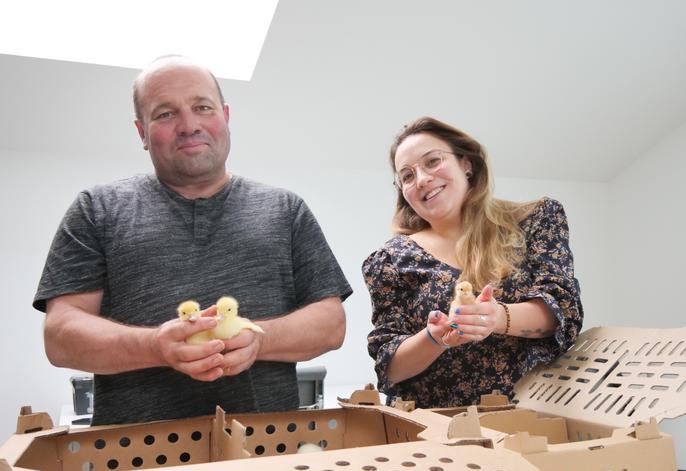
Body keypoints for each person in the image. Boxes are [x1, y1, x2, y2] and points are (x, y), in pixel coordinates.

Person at [33, 55, 352, 425]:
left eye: (202, 107)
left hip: (265, 452)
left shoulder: (285, 209)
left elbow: (331, 323)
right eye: (165, 114)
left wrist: (259, 340)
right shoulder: (97, 209)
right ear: (141, 132)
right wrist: (155, 346)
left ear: (226, 116)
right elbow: (60, 336)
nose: (189, 125)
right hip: (136, 461)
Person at [362, 117, 582, 408]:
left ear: (466, 163)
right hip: (434, 431)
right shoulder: (390, 260)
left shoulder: (534, 221)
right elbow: (389, 368)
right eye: (407, 176)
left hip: (528, 421)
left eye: (432, 161)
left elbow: (562, 313)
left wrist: (495, 317)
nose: (423, 179)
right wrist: (435, 337)